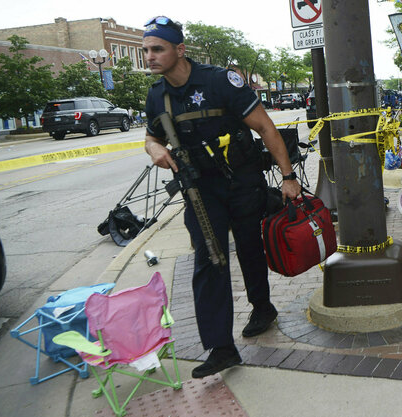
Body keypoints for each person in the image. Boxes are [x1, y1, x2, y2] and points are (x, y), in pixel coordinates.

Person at [141, 16, 301, 379]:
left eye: (157, 49)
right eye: (146, 50)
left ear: (179, 50)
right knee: (209, 260)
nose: (149, 56)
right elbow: (152, 137)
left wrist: (288, 177)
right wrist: (153, 148)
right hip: (200, 190)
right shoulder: (157, 96)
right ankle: (221, 348)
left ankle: (262, 307)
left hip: (242, 181)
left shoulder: (218, 81)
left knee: (248, 247)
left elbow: (265, 126)